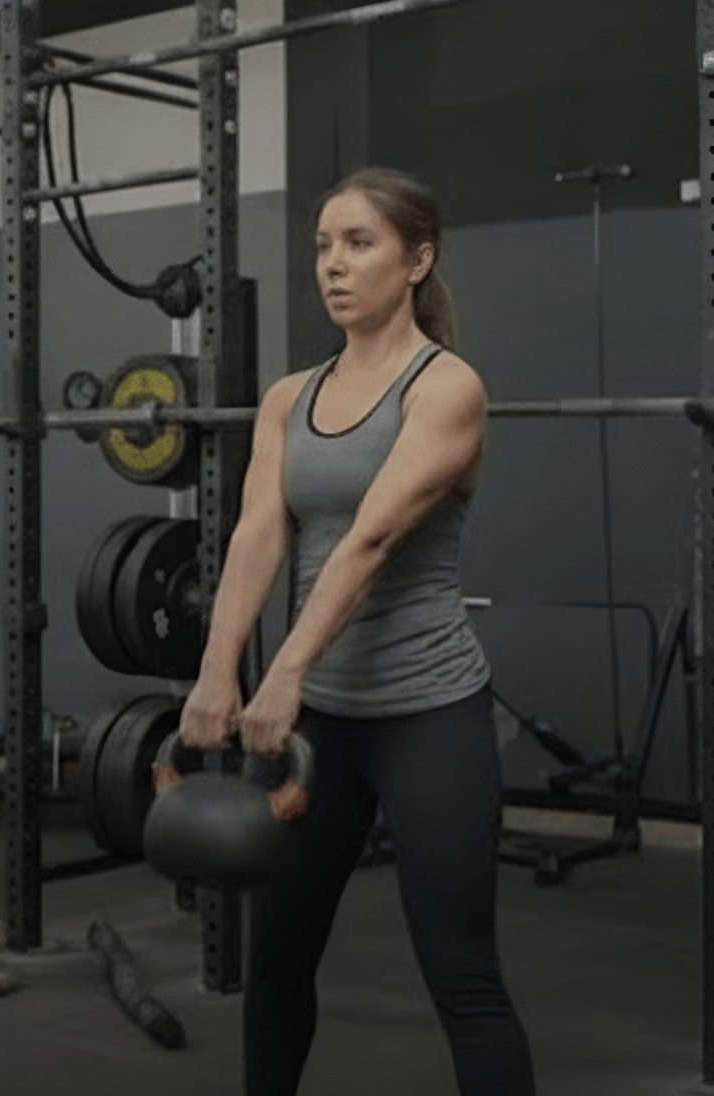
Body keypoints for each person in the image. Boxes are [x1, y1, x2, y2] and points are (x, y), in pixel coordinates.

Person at [165, 166, 533, 1096]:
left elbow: (367, 538)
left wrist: (281, 670)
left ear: (416, 259)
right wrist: (217, 670)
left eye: (357, 243)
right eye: (323, 244)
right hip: (315, 722)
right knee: (277, 962)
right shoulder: (289, 396)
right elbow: (257, 534)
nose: (332, 264)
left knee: (461, 972)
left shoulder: (445, 387)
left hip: (426, 713)